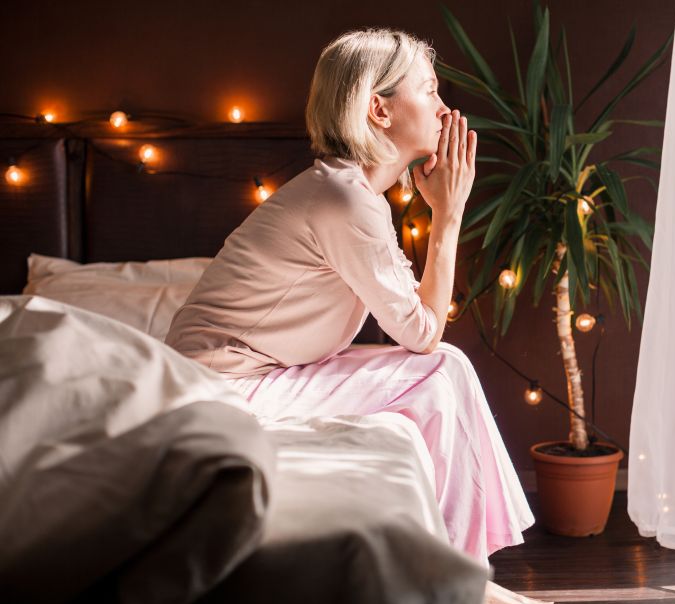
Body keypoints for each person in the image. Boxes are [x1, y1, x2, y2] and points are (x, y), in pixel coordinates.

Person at [165, 28, 534, 569]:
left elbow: (420, 322)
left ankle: (459, 566)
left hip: (245, 378)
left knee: (444, 369)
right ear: (378, 110)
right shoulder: (344, 201)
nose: (444, 107)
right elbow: (422, 332)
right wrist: (448, 216)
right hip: (220, 390)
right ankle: (458, 570)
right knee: (438, 371)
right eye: (429, 90)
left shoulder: (349, 193)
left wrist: (441, 211)